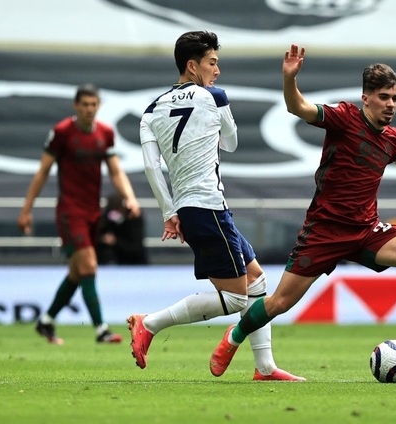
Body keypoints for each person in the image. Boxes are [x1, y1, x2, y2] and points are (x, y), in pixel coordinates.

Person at [209, 44, 396, 378]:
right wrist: (289, 80)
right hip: (325, 231)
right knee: (280, 303)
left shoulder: (390, 137)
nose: (391, 105)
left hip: (367, 231)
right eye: (384, 97)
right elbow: (297, 107)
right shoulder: (344, 118)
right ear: (366, 97)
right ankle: (234, 335)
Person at [126, 30, 304, 381]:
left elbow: (151, 166)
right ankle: (149, 323)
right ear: (192, 66)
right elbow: (232, 143)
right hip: (208, 207)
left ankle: (264, 367)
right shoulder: (214, 96)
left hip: (194, 208)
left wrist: (169, 211)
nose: (217, 70)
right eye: (212, 63)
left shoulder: (150, 112)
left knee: (256, 280)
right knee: (237, 299)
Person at [18, 83, 141, 345]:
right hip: (70, 211)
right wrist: (27, 209)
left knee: (77, 272)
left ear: (98, 106)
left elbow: (116, 171)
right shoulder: (62, 133)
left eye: (93, 104)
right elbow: (42, 172)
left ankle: (46, 321)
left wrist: (130, 197)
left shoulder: (105, 133)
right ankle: (101, 330)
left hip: (93, 211)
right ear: (75, 106)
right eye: (84, 104)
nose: (89, 109)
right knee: (89, 265)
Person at [96, 193, 149, 265]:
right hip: (110, 263)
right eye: (113, 210)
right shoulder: (107, 219)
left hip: (134, 263)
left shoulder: (133, 219)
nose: (115, 213)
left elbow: (136, 247)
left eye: (118, 209)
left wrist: (115, 241)